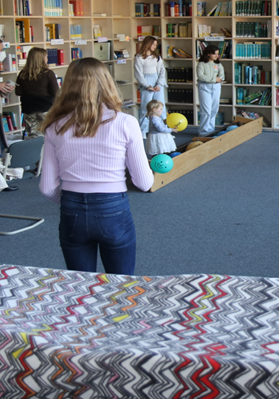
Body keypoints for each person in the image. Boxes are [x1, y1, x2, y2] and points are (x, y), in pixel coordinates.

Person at [39, 58, 154, 275]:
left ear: (68, 86)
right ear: (107, 83)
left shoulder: (54, 126)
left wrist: (73, 202)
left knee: (81, 286)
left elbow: (46, 188)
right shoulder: (126, 122)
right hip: (113, 207)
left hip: (71, 208)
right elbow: (144, 183)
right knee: (121, 285)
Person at [15, 47, 59, 138]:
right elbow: (55, 92)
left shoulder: (22, 74)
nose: (47, 59)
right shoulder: (48, 73)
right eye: (46, 57)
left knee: (33, 134)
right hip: (46, 108)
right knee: (49, 134)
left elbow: (18, 92)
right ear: (42, 59)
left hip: (28, 108)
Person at [133, 36, 166, 135]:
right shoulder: (139, 57)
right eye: (153, 44)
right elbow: (138, 74)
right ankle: (143, 131)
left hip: (157, 81)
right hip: (146, 82)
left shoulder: (157, 57)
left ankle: (162, 129)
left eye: (156, 44)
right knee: (145, 107)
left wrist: (159, 84)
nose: (155, 46)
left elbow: (162, 71)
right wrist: (147, 85)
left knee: (160, 106)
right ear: (147, 44)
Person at [196, 44, 224, 136]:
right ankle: (203, 131)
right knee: (206, 110)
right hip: (204, 87)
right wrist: (214, 79)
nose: (216, 56)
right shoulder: (201, 64)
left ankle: (211, 130)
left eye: (217, 54)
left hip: (216, 87)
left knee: (214, 109)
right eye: (214, 54)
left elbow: (222, 75)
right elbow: (201, 76)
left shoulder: (218, 64)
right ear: (208, 54)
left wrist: (217, 79)